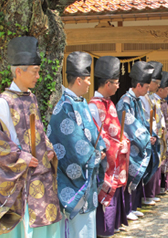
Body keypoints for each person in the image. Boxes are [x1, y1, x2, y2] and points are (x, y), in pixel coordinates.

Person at [0, 36, 61, 237]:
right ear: (19, 71)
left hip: (42, 175)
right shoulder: (4, 102)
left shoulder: (32, 98)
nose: (38, 76)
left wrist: (49, 148)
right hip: (21, 178)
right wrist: (23, 158)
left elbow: (39, 132)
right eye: (34, 72)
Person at [48, 51, 107, 238]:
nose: (90, 83)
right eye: (88, 79)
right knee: (77, 229)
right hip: (73, 180)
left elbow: (92, 132)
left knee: (87, 226)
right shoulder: (65, 106)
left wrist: (101, 148)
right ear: (79, 80)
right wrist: (95, 156)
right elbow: (73, 144)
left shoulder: (79, 102)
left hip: (87, 175)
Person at [88, 56, 130, 237]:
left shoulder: (110, 103)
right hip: (105, 160)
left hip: (116, 158)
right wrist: (115, 145)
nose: (118, 86)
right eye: (116, 82)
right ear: (107, 83)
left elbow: (117, 130)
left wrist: (124, 141)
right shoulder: (93, 106)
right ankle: (102, 229)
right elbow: (96, 135)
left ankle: (112, 225)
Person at [115, 61, 159, 221]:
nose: (148, 90)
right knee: (128, 179)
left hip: (138, 144)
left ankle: (133, 207)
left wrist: (151, 134)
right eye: (146, 87)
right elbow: (129, 126)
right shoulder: (125, 102)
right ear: (139, 85)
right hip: (130, 146)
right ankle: (127, 210)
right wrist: (146, 138)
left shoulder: (137, 101)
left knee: (136, 179)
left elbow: (142, 122)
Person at [140, 61, 163, 206]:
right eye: (156, 83)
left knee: (155, 163)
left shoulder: (153, 97)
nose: (158, 86)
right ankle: (146, 195)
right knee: (147, 166)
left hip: (155, 134)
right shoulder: (143, 97)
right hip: (148, 135)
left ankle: (151, 193)